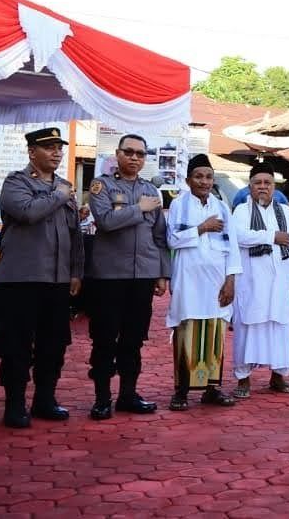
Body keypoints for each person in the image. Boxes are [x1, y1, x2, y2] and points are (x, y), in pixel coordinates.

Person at [0, 126, 83, 428]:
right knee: (17, 344)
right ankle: (15, 403)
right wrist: (59, 196)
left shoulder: (65, 186)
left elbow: (75, 235)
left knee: (54, 343)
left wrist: (75, 272)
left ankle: (45, 399)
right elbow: (27, 212)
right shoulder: (16, 182)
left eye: (59, 147)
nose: (56, 152)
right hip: (22, 278)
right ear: (32, 152)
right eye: (48, 147)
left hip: (56, 280)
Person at [85, 133, 170, 419]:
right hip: (109, 276)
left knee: (134, 339)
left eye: (140, 154)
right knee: (105, 338)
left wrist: (161, 273)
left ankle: (128, 394)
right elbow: (106, 222)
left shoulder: (151, 191)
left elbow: (160, 236)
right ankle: (101, 398)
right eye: (129, 152)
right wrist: (138, 209)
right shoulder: (101, 185)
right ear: (118, 154)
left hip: (142, 276)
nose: (135, 158)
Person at [165, 153, 240, 411]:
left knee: (214, 332)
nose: (204, 181)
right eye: (198, 176)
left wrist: (231, 280)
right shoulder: (179, 205)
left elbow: (234, 248)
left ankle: (211, 389)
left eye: (208, 177)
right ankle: (182, 390)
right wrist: (202, 228)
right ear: (188, 180)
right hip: (188, 281)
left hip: (217, 282)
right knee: (187, 331)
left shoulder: (221, 206)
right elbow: (172, 240)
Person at [231, 161, 289, 398]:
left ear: (275, 187)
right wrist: (273, 236)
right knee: (247, 328)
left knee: (280, 329)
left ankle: (278, 376)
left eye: (268, 183)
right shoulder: (241, 210)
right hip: (251, 283)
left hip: (280, 284)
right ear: (250, 187)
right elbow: (240, 236)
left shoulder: (286, 212)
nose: (263, 187)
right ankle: (243, 378)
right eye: (258, 183)